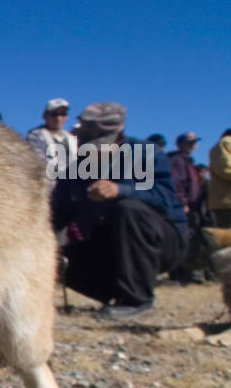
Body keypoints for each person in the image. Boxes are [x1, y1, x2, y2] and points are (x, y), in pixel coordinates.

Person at [51, 102, 188, 319]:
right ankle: (118, 292)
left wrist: (121, 190)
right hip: (109, 249)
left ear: (119, 136)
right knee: (54, 259)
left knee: (129, 209)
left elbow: (165, 199)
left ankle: (137, 300)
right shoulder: (75, 171)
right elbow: (53, 216)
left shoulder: (144, 154)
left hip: (162, 244)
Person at [167, 131, 208, 283]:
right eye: (188, 142)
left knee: (190, 239)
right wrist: (182, 202)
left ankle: (185, 273)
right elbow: (176, 183)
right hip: (182, 207)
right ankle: (180, 274)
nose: (192, 145)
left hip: (192, 206)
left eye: (194, 142)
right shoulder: (176, 160)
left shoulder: (188, 161)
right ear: (179, 144)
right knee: (183, 238)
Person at [26, 98, 77, 176]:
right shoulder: (35, 136)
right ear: (45, 116)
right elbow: (39, 162)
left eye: (63, 114)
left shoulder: (72, 139)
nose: (58, 118)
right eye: (54, 114)